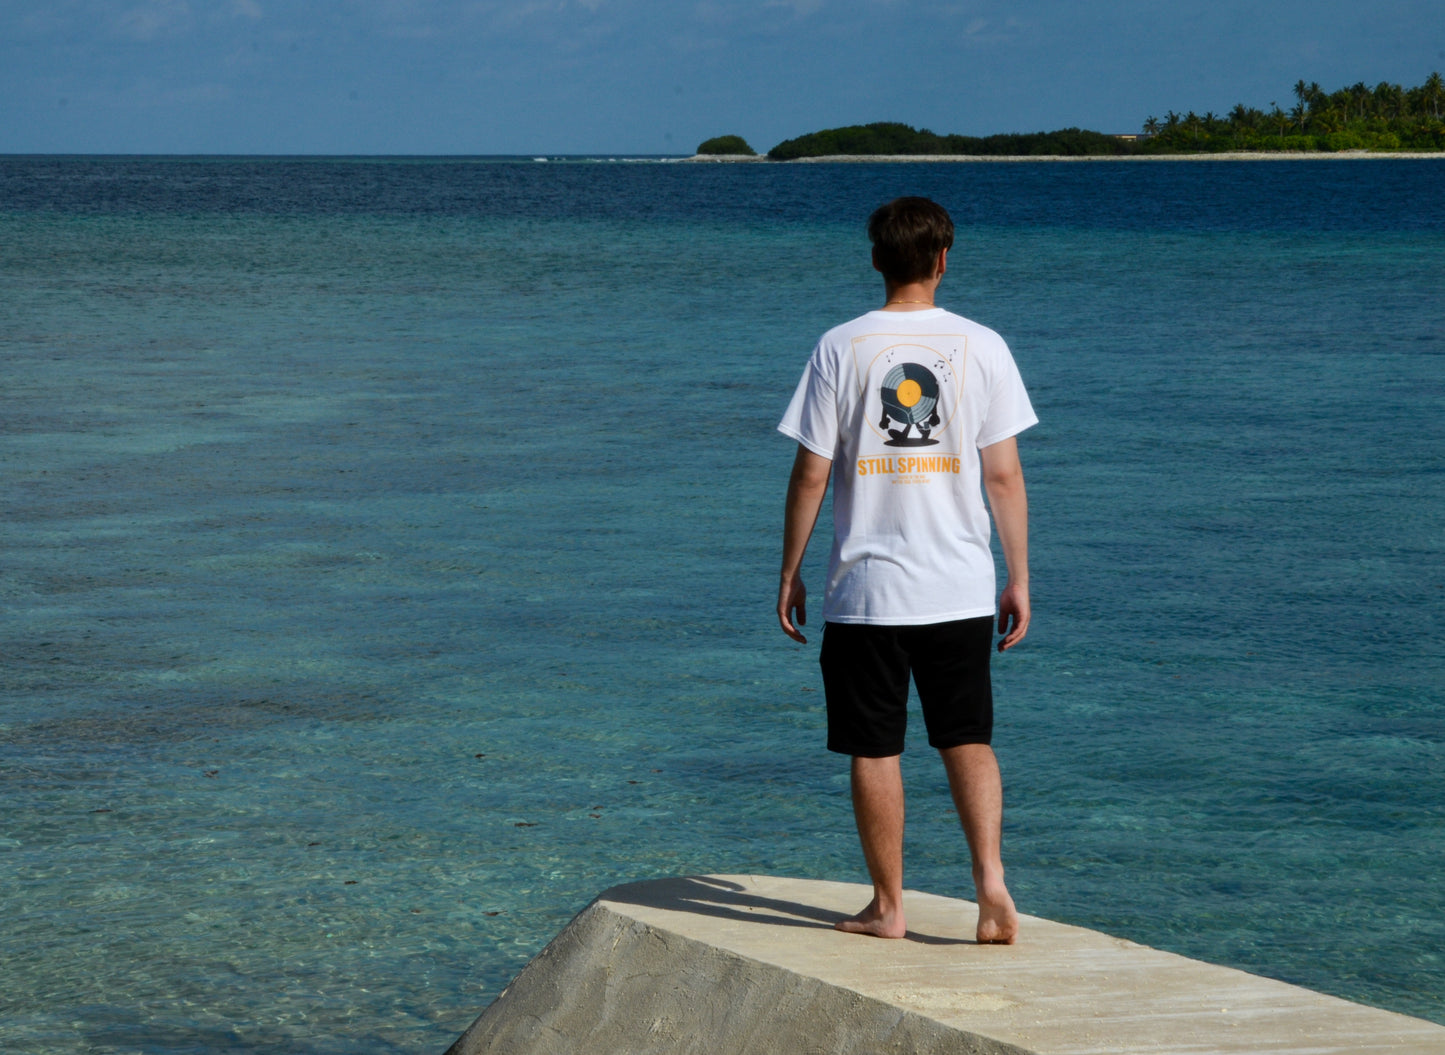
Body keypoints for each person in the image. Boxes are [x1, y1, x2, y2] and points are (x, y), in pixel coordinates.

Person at [776, 196, 1035, 944]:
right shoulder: (983, 346)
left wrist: (789, 571)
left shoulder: (840, 346)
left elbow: (809, 476)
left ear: (875, 260)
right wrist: (1016, 574)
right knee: (967, 736)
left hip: (866, 591)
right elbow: (1004, 476)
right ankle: (988, 876)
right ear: (943, 260)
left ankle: (889, 906)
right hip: (958, 584)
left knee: (874, 746)